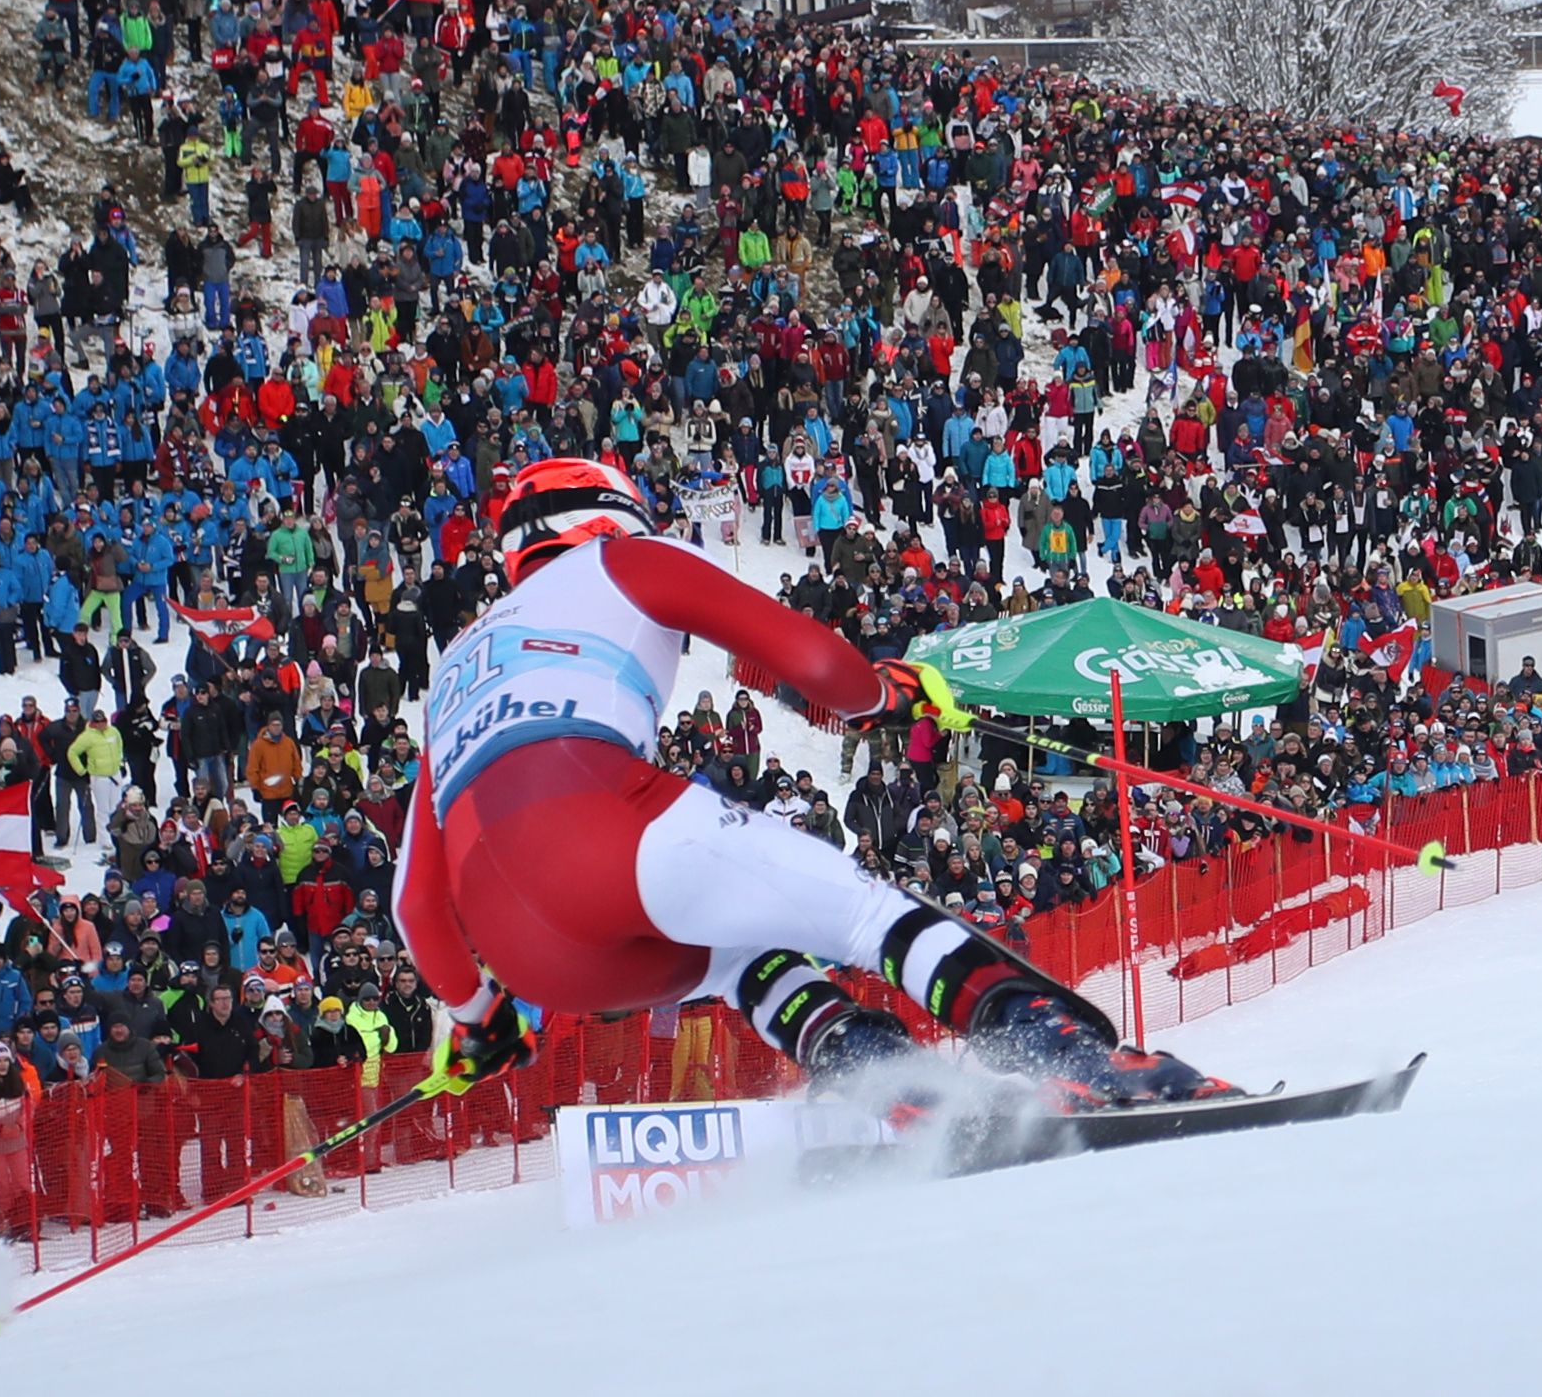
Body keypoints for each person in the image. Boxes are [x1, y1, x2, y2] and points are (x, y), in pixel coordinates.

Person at [400, 459, 1229, 1110]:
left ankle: (893, 1087)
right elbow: (814, 661)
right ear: (607, 515)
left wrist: (479, 1020)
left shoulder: (452, 672)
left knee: (738, 956)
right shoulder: (623, 561)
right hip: (597, 824)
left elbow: (416, 905)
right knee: (868, 912)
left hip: (532, 953)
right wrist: (886, 694)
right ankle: (1074, 1057)